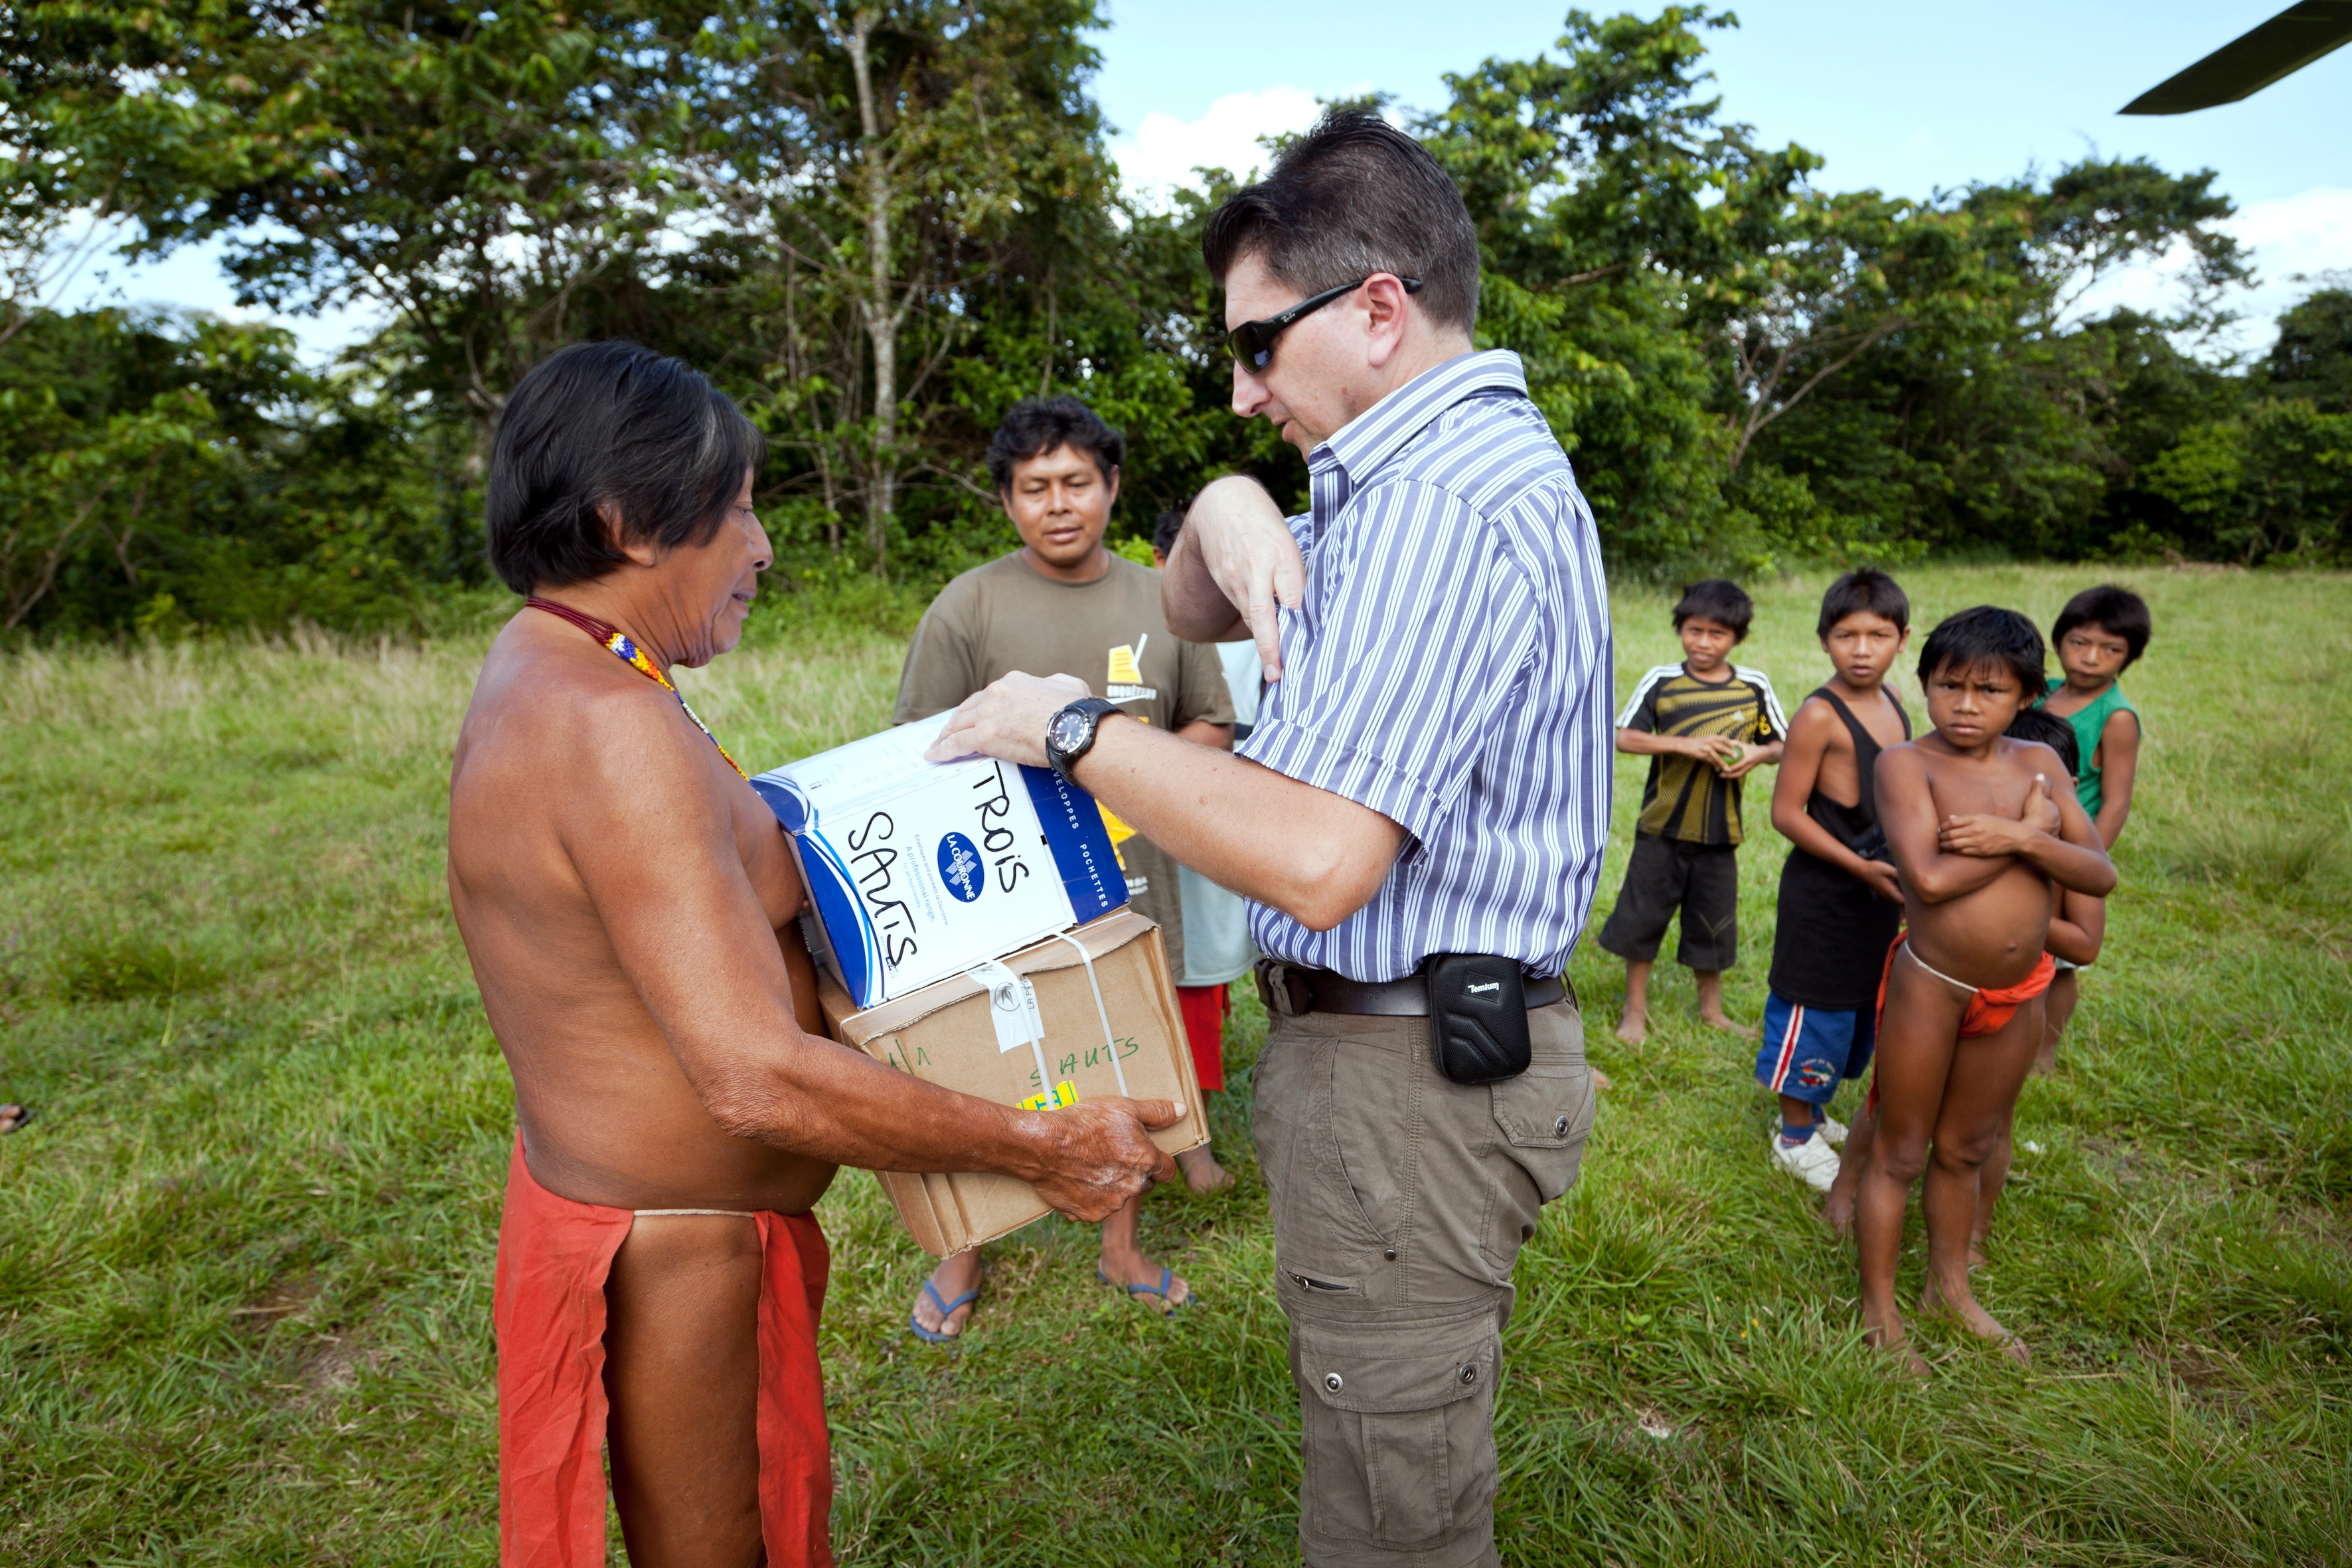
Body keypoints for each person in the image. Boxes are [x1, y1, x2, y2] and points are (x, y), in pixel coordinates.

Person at [926, 110, 1609, 1568]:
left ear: (1375, 309)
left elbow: (1318, 859)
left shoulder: (1434, 499)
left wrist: (1067, 728)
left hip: (1405, 1080)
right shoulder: (1399, 473)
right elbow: (1190, 606)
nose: (1241, 393)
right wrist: (1230, 508)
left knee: (1392, 1520)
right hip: (1405, 1066)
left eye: (1253, 347)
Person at [447, 341, 1179, 1568]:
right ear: (630, 524)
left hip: (679, 1229)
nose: (763, 544)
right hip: (671, 1249)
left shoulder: (558, 665)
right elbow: (753, 1076)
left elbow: (718, 875)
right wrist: (1036, 1146)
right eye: (735, 508)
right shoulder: (609, 727)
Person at [893, 397, 1236, 1338]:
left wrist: (1134, 764)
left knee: (1122, 1051)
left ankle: (1120, 1245)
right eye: (1033, 487)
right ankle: (963, 1243)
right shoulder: (968, 605)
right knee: (977, 1062)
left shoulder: (1161, 602)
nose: (1057, 504)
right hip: (1000, 886)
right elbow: (916, 744)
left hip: (1131, 880)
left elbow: (1210, 722)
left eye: (1075, 482)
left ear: (1111, 487)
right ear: (1006, 500)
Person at [1854, 607, 2115, 1371]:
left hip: (2020, 987)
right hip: (1932, 985)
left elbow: (2098, 872)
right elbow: (1928, 880)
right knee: (1900, 1151)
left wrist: (2025, 835)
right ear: (1925, 684)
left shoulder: (2043, 767)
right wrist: (2024, 842)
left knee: (1967, 1147)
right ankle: (1880, 1310)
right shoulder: (1907, 764)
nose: (1966, 705)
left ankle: (1951, 1289)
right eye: (1949, 686)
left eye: (1989, 690)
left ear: (2028, 695)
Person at [1757, 569, 1911, 1194]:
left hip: (1877, 892)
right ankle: (1792, 1135)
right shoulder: (1821, 714)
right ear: (1824, 640)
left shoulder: (1896, 699)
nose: (1862, 649)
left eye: (1878, 635)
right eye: (1846, 635)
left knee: (1855, 1004)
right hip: (1825, 894)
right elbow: (1785, 813)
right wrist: (1858, 865)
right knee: (1813, 1001)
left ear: (1903, 638)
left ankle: (1817, 1113)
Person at [1599, 578, 1786, 1045]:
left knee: (1713, 924)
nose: (1703, 643)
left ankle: (1712, 1011)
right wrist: (1686, 744)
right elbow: (1625, 736)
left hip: (1720, 832)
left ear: (1736, 638)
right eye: (1693, 630)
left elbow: (1780, 743)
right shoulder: (1663, 683)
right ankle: (1633, 1011)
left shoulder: (1752, 688)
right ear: (1680, 628)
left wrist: (1754, 755)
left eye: (1716, 634)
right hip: (1661, 827)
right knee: (1642, 920)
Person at [1152, 501, 1263, 1195]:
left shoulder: (1260, 624)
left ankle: (1184, 1143)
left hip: (1240, 814)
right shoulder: (1146, 629)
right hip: (1168, 820)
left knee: (1205, 979)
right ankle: (1188, 1155)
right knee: (1179, 979)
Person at [1969, 707, 2104, 1265]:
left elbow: (2085, 944)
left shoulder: (2068, 858)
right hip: (1942, 985)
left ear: (2066, 789)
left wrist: (2008, 911)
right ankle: (1847, 1196)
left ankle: (1974, 1233)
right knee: (1891, 1105)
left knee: (1992, 1122)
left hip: (2015, 996)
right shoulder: (1971, 831)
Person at [2035, 583, 2148, 1071]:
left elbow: (2116, 802)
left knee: (2061, 963)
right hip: (2025, 838)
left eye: (2110, 649)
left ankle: (2042, 1054)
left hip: (2070, 851)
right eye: (2079, 643)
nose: (2090, 658)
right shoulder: (2041, 694)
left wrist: (2083, 860)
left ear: (2129, 657)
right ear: (2058, 641)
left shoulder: (2116, 717)